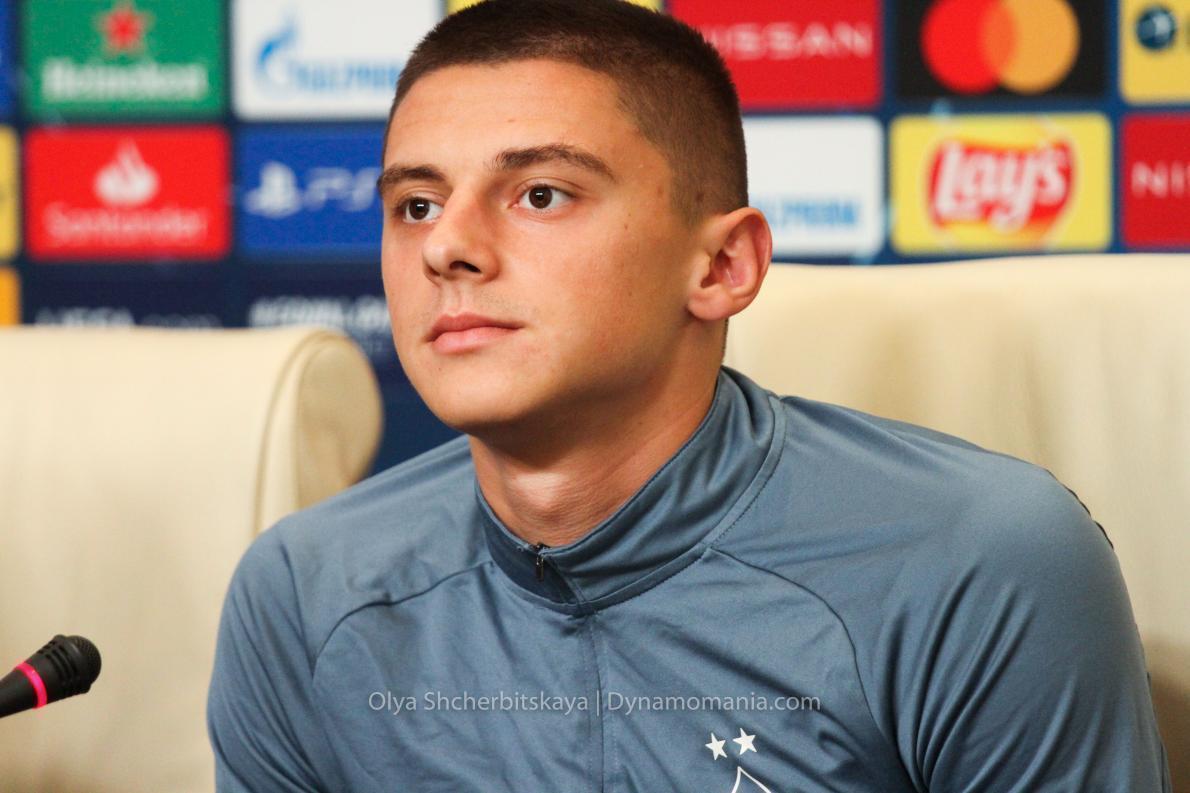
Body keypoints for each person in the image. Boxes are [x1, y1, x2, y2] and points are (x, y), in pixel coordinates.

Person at [207, 1, 1172, 790]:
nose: (446, 246)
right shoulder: (302, 593)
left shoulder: (986, 564)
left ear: (721, 266)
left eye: (540, 194)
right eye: (415, 205)